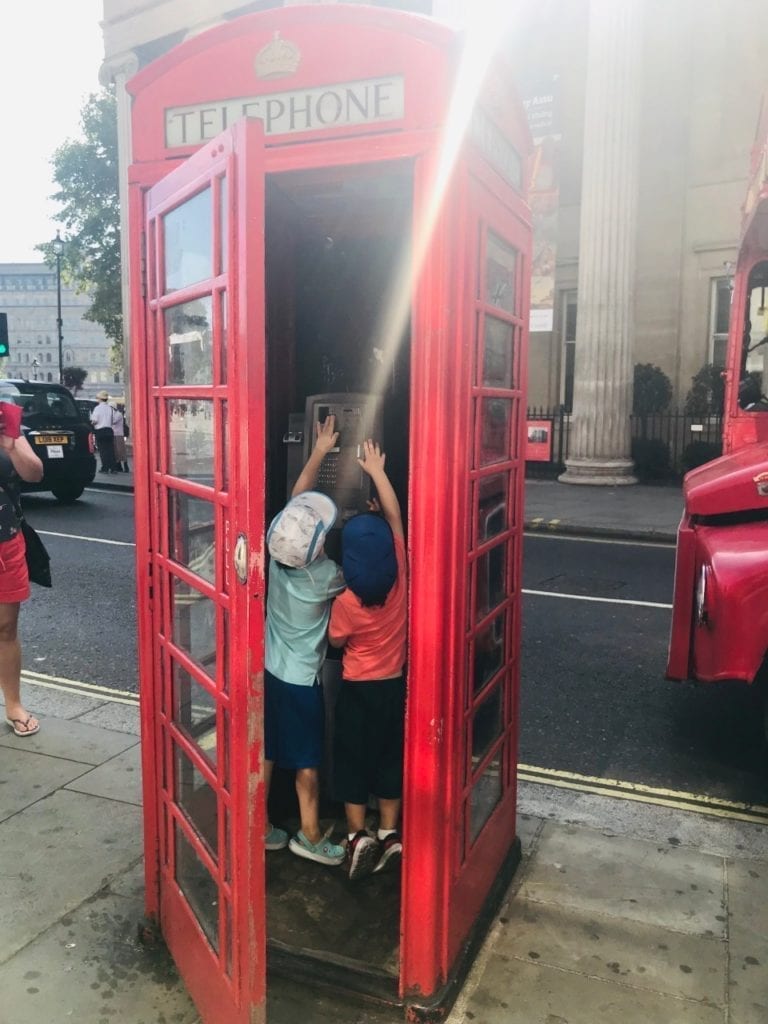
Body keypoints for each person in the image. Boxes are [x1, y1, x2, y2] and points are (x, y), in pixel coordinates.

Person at [264, 415, 346, 866]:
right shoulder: (327, 577)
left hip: (269, 668)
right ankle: (310, 835)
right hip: (301, 680)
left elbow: (297, 502)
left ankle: (260, 825)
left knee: (269, 749)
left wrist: (318, 449)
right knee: (308, 763)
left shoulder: (276, 557)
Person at [328, 439, 407, 881]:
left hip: (357, 690)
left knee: (353, 760)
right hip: (394, 686)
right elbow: (395, 520)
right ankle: (391, 832)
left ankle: (359, 837)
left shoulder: (347, 603)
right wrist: (378, 470)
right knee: (389, 758)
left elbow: (336, 645)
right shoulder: (401, 579)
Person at [0, 403, 44, 736]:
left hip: (5, 542)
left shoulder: (7, 421)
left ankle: (13, 704)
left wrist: (11, 446)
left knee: (5, 628)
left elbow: (35, 473)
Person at [90, 391, 119, 473]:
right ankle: (113, 468)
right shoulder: (110, 408)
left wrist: (91, 423)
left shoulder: (97, 408)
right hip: (109, 430)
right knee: (110, 450)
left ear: (99, 399)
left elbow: (94, 421)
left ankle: (105, 468)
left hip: (100, 431)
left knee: (103, 450)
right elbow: (113, 420)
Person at [111, 403, 129, 473]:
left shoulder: (118, 414)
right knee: (115, 451)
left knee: (121, 450)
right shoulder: (113, 414)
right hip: (114, 434)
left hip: (119, 434)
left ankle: (125, 466)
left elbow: (113, 421)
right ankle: (119, 466)